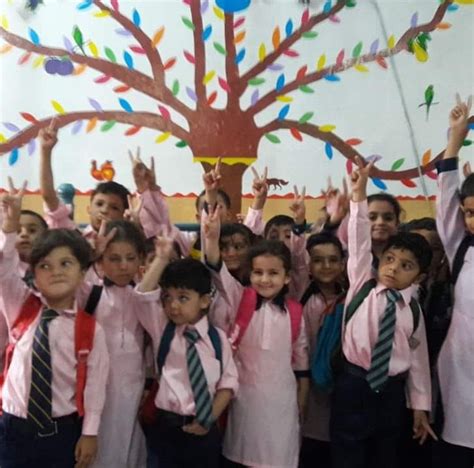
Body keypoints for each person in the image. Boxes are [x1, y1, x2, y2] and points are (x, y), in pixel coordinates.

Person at [330, 157, 435, 468]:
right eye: (390, 259)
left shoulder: (412, 310)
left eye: (406, 266)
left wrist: (420, 406)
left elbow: (418, 362)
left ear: (419, 277)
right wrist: (358, 195)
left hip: (391, 392)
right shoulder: (362, 282)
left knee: (385, 455)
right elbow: (359, 240)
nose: (393, 268)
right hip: (353, 384)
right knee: (346, 453)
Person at [0, 180, 109, 468]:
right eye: (45, 266)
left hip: (61, 430)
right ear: (34, 274)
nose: (55, 272)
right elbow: (3, 269)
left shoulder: (89, 329)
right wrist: (8, 228)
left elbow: (95, 386)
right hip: (12, 427)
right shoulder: (20, 305)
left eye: (65, 264)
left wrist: (90, 433)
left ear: (82, 272)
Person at [204, 206, 309, 468]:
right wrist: (211, 238)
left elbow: (301, 364)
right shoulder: (240, 298)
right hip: (245, 400)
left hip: (282, 403)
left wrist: (301, 403)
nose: (265, 279)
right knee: (240, 456)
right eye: (258, 273)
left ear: (287, 277)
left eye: (273, 273)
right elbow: (218, 270)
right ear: (249, 274)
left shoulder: (295, 312)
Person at [138, 244, 239, 468]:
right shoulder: (162, 328)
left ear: (204, 300)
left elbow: (228, 384)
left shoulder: (217, 338)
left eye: (183, 298)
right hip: (167, 425)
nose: (173, 305)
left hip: (205, 427)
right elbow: (142, 296)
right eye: (167, 297)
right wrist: (161, 259)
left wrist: (208, 419)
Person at [76, 220, 160, 468]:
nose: (123, 266)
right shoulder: (90, 293)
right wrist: (91, 254)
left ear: (141, 259)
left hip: (133, 385)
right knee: (96, 437)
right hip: (93, 383)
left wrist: (148, 383)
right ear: (100, 262)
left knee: (128, 441)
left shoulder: (145, 295)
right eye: (114, 259)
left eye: (130, 258)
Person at [434, 95, 474, 468]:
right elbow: (446, 205)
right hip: (461, 377)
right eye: (470, 213)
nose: (473, 220)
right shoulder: (461, 247)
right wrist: (454, 143)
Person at [39, 121, 130, 247]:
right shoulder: (75, 238)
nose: (104, 210)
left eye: (114, 208)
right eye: (99, 204)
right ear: (89, 209)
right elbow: (49, 197)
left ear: (124, 216)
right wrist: (46, 151)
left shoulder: (129, 245)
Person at [299, 233, 346, 468]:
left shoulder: (350, 297)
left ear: (343, 263)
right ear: (308, 265)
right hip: (308, 384)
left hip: (340, 385)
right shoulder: (303, 296)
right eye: (318, 260)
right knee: (311, 445)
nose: (326, 266)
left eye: (333, 260)